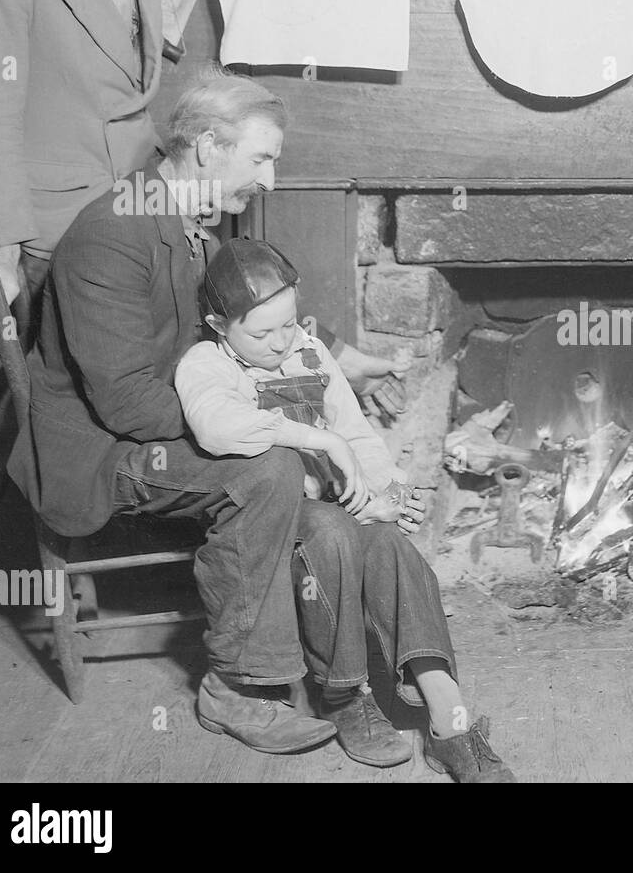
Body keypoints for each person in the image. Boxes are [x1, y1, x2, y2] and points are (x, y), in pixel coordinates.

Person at [0, 0, 404, 573]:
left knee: (183, 341)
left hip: (138, 205)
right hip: (47, 229)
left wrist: (322, 354)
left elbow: (217, 304)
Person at [7, 72, 339, 754]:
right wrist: (256, 414)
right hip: (98, 449)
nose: (270, 181)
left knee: (290, 446)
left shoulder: (189, 227)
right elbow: (127, 401)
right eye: (261, 158)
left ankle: (298, 631)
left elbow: (229, 338)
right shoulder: (112, 234)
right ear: (209, 147)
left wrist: (324, 366)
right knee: (265, 470)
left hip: (148, 418)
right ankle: (236, 688)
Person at [174, 238, 515, 782]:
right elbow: (216, 427)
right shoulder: (205, 365)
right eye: (261, 333)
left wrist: (392, 491)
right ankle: (342, 694)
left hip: (332, 499)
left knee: (389, 545)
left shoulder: (307, 350)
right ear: (218, 323)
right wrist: (319, 441)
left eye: (288, 324)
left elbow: (356, 432)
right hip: (271, 522)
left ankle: (448, 717)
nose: (281, 342)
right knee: (332, 530)